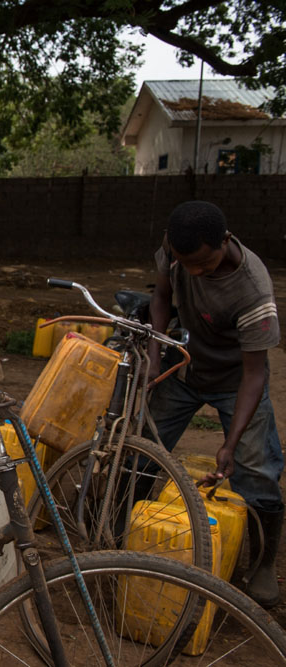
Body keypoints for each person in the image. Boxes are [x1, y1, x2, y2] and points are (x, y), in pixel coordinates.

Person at [148, 200, 284, 608]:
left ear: (224, 241)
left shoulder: (253, 290)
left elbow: (254, 374)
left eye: (204, 264)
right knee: (144, 443)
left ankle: (262, 564)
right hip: (186, 367)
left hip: (235, 380)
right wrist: (155, 355)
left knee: (256, 468)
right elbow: (161, 296)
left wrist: (231, 442)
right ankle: (120, 531)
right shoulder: (175, 247)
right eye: (186, 263)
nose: (194, 272)